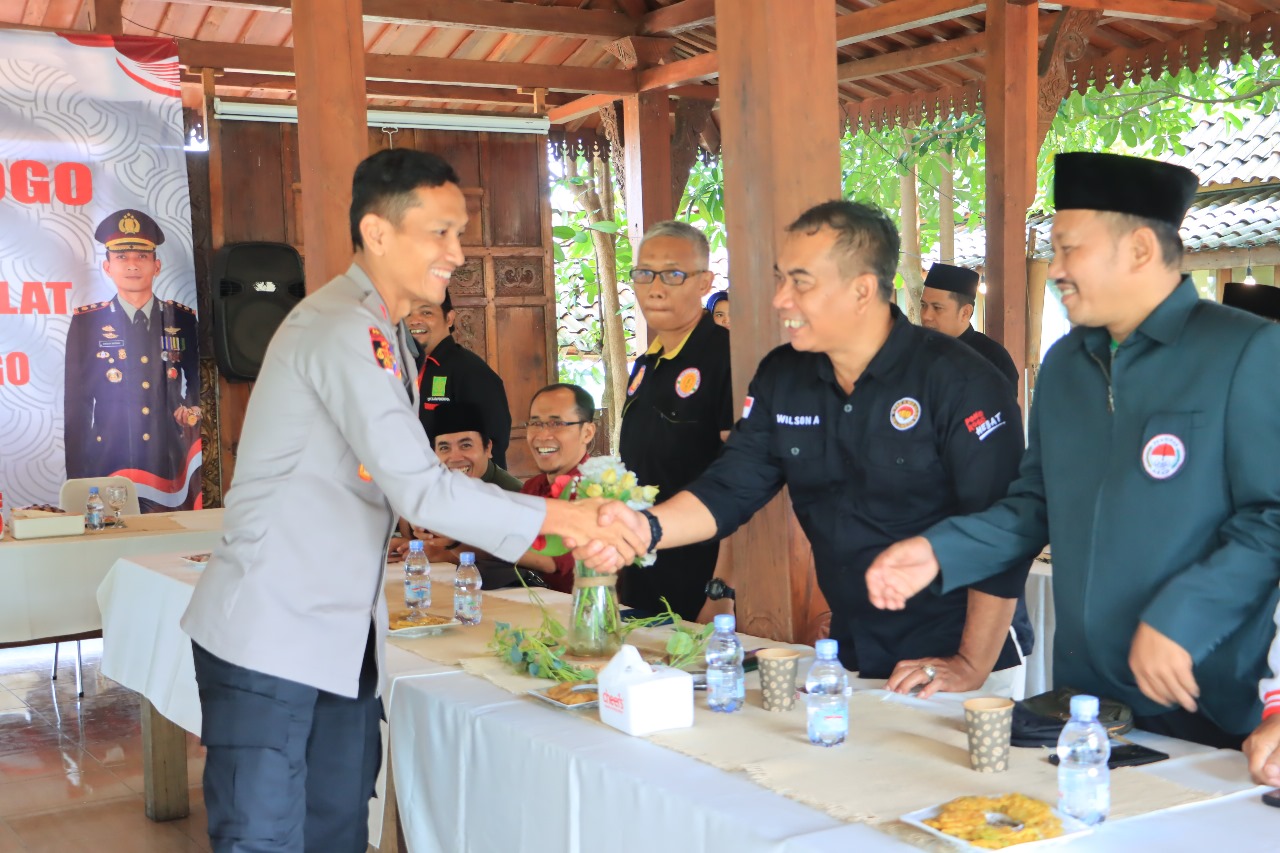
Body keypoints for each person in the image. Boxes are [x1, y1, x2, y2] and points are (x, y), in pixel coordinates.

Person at [180, 149, 638, 853]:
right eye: (441, 232)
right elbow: (420, 485)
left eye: (460, 232)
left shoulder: (387, 330)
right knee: (263, 835)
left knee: (336, 828)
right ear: (378, 232)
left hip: (339, 637)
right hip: (272, 633)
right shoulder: (339, 327)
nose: (457, 252)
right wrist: (568, 519)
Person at [865, 152, 1280, 748]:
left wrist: (1185, 618)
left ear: (1139, 249)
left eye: (1068, 249)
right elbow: (1035, 503)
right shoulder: (1066, 365)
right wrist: (940, 551)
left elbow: (1271, 517)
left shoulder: (1246, 351)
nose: (1055, 268)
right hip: (1086, 702)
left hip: (1205, 696)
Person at [592, 200, 1032, 697]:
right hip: (851, 652)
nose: (781, 300)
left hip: (958, 661)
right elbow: (732, 485)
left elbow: (1004, 527)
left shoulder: (960, 380)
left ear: (862, 290)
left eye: (800, 283)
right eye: (781, 280)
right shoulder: (785, 376)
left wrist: (969, 663)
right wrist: (645, 528)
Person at [619, 221, 734, 622]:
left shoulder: (724, 357)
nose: (655, 287)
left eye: (672, 274)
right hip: (641, 563)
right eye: (643, 273)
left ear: (705, 282)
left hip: (699, 572)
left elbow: (745, 480)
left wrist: (723, 585)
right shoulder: (646, 363)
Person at [64, 208, 201, 511]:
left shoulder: (181, 319)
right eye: (122, 258)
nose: (132, 265)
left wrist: (192, 408)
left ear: (157, 265)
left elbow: (197, 381)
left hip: (169, 460)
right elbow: (77, 406)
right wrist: (77, 478)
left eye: (141, 256)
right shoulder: (88, 323)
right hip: (111, 459)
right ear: (107, 266)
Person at [408, 289, 512, 467]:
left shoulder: (470, 371)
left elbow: (495, 442)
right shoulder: (403, 369)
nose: (414, 321)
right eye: (407, 314)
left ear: (449, 318)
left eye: (426, 312)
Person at [517, 383, 598, 594]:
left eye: (557, 423)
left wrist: (474, 539)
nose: (543, 435)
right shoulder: (533, 487)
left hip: (584, 616)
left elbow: (552, 561)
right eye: (535, 424)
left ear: (587, 432)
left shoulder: (597, 491)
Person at [919, 262, 1018, 386]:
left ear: (965, 312)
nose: (925, 316)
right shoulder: (914, 353)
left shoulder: (992, 358)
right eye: (923, 305)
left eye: (937, 308)